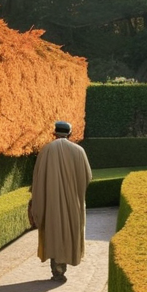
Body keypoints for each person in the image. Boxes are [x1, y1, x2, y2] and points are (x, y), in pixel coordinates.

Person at [28, 120, 92, 281]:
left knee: (54, 232)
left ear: (54, 134)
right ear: (70, 134)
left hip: (51, 203)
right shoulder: (79, 151)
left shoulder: (46, 150)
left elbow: (37, 179)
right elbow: (87, 177)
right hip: (72, 203)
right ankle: (63, 267)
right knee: (68, 233)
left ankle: (57, 270)